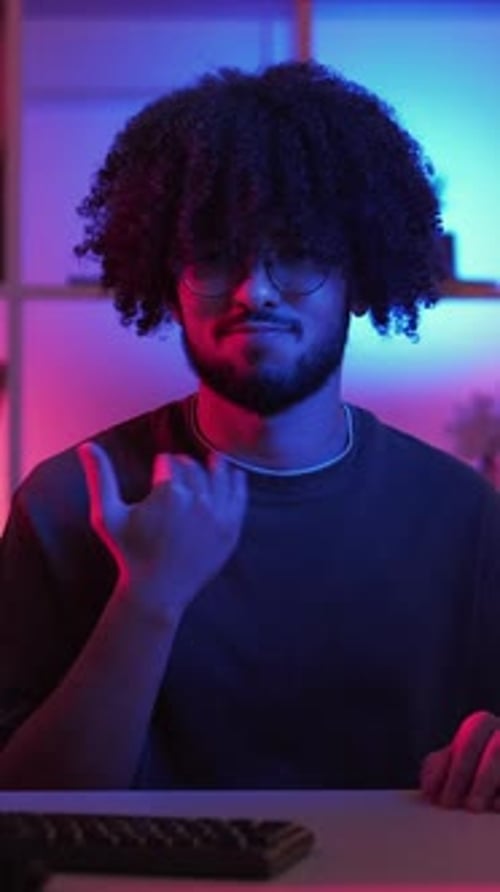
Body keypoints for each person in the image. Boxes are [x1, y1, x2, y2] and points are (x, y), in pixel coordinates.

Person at [0, 60, 499, 809]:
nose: (254, 289)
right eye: (214, 257)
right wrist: (148, 599)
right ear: (167, 282)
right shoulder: (71, 500)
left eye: (296, 254)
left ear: (359, 279)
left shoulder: (464, 518)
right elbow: (23, 804)